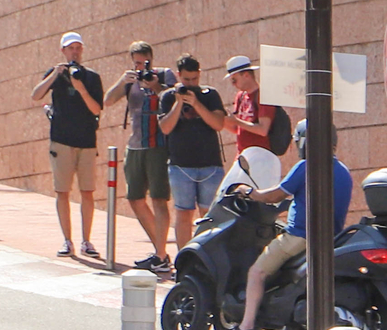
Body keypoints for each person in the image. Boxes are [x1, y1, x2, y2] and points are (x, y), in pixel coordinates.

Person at [223, 121, 350, 330]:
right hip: (330, 239)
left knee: (257, 271)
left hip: (299, 237)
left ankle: (246, 327)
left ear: (303, 141)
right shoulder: (343, 171)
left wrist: (248, 191)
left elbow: (273, 195)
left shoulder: (306, 166)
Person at [31, 32, 104, 258]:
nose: (75, 52)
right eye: (70, 48)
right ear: (63, 51)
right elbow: (36, 95)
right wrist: (55, 74)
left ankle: (87, 241)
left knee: (87, 192)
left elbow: (96, 109)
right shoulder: (55, 76)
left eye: (78, 48)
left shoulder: (91, 77)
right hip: (61, 141)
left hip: (86, 142)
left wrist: (81, 88)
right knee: (62, 191)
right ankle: (67, 240)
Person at [110, 41, 175, 270]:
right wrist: (122, 82)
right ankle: (161, 252)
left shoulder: (165, 75)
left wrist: (156, 85)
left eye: (144, 62)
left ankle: (159, 254)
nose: (140, 67)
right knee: (135, 198)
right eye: (136, 62)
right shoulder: (131, 80)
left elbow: (175, 99)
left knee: (159, 199)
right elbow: (106, 101)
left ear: (151, 58)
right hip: (135, 145)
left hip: (158, 144)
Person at [155, 55, 229, 256]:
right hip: (181, 166)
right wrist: (179, 103)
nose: (191, 84)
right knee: (183, 214)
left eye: (194, 79)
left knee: (209, 215)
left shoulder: (209, 94)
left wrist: (196, 103)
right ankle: (184, 259)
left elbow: (218, 124)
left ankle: (209, 258)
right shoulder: (168, 97)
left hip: (210, 165)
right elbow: (165, 128)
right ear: (178, 76)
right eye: (186, 80)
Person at [223, 55, 289, 160]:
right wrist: (222, 120)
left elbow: (263, 130)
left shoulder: (263, 95)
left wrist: (236, 121)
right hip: (243, 156)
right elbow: (237, 129)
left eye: (234, 80)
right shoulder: (241, 97)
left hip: (261, 157)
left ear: (246, 75)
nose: (233, 84)